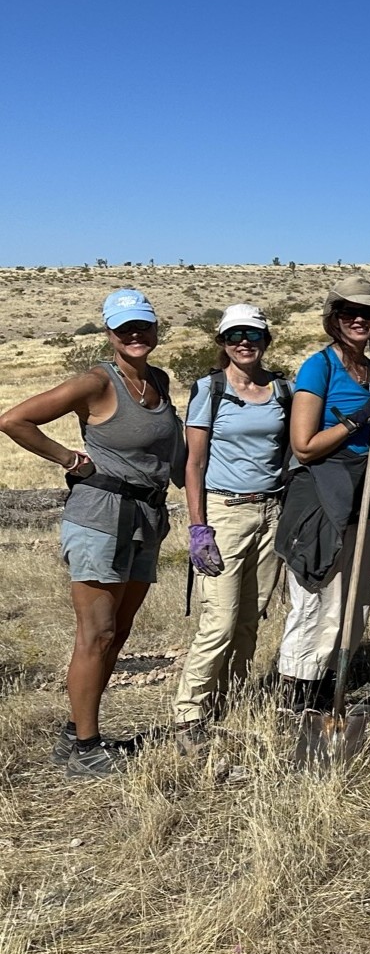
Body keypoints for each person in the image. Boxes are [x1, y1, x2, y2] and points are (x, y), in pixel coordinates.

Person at [0, 288, 185, 777]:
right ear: (109, 333)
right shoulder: (96, 382)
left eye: (143, 326)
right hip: (100, 515)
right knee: (96, 634)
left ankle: (76, 732)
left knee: (117, 634)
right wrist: (67, 458)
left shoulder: (159, 382)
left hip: (147, 516)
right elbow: (14, 419)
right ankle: (85, 749)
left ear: (156, 329)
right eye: (125, 328)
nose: (136, 335)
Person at [173, 304, 290, 749]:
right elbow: (194, 462)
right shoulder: (210, 389)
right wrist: (198, 526)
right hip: (224, 513)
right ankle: (189, 714)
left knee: (248, 618)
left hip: (270, 512)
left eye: (253, 334)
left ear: (265, 340)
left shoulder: (281, 388)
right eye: (234, 335)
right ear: (222, 341)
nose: (244, 342)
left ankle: (229, 701)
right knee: (218, 620)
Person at [275, 274, 370, 709]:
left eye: (369, 313)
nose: (359, 320)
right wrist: (357, 419)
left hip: (364, 495)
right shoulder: (318, 367)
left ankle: (326, 683)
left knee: (353, 598)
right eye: (350, 312)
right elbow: (304, 447)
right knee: (316, 594)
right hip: (323, 495)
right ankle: (296, 691)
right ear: (335, 318)